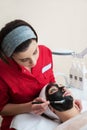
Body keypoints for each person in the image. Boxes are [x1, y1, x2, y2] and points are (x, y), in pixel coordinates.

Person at [0, 19, 82, 130]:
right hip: (20, 119)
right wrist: (29, 107)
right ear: (9, 57)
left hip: (50, 114)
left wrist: (67, 100)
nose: (33, 62)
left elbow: (51, 82)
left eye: (35, 52)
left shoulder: (45, 52)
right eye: (24, 59)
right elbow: (2, 109)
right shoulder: (2, 72)